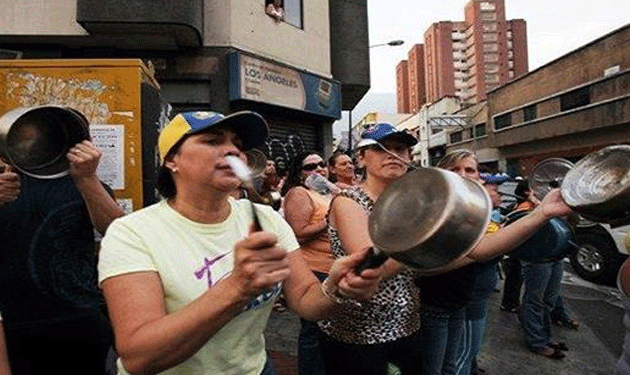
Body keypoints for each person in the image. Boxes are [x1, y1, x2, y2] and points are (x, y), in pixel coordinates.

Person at [97, 110, 383, 375]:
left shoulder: (263, 218)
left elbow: (306, 299)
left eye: (238, 144)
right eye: (212, 141)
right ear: (172, 160)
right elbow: (138, 357)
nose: (233, 150)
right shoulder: (132, 233)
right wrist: (237, 287)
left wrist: (337, 288)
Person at [416, 149, 572, 375]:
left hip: (459, 302)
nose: (463, 175)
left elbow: (487, 247)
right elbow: (470, 253)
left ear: (479, 176)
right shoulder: (432, 210)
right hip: (434, 305)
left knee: (451, 366)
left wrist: (543, 213)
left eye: (470, 170)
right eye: (454, 170)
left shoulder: (477, 212)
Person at [0, 133, 124, 374]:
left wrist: (87, 179)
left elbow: (119, 234)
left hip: (80, 319)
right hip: (13, 323)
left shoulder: (86, 183)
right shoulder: (6, 183)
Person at [318, 122, 423, 375]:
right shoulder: (349, 201)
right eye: (381, 149)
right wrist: (428, 233)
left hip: (407, 324)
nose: (393, 154)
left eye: (400, 148)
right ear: (362, 159)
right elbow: (373, 266)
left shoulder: (411, 203)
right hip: (358, 333)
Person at [282, 151, 336, 375]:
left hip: (333, 269)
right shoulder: (299, 193)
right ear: (299, 172)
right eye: (310, 167)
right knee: (313, 332)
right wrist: (331, 218)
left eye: (322, 164)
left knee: (330, 333)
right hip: (314, 271)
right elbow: (299, 233)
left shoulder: (328, 193)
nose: (319, 169)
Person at [499, 179, 538, 313]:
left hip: (517, 248)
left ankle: (509, 303)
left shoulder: (521, 204)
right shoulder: (527, 206)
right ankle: (510, 303)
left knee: (514, 276)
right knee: (516, 277)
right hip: (521, 248)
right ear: (527, 192)